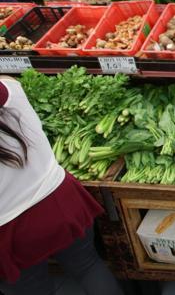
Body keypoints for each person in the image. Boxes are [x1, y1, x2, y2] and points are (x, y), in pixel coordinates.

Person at [0, 76, 123, 295]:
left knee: (32, 288)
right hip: (59, 202)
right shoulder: (11, 90)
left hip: (9, 230)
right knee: (88, 266)